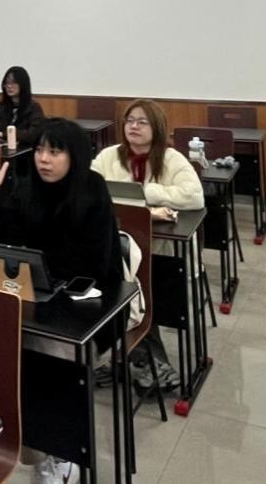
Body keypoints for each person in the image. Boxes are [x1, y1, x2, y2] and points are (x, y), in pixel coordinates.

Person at [0, 117, 121, 484]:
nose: (44, 159)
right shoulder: (28, 187)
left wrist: (39, 265)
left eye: (55, 152)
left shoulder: (92, 189)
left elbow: (94, 263)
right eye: (40, 150)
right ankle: (20, 439)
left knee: (50, 358)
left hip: (88, 305)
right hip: (37, 297)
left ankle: (63, 451)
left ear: (75, 156)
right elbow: (3, 244)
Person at [91, 98, 202, 391]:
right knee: (112, 292)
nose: (134, 127)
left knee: (139, 295)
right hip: (116, 247)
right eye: (129, 121)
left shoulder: (171, 158)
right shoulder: (109, 156)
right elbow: (90, 188)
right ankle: (135, 360)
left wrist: (146, 193)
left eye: (142, 122)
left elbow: (194, 197)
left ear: (157, 127)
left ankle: (149, 362)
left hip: (158, 251)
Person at [0, 66, 46, 147]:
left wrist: (5, 134)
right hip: (0, 150)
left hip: (24, 151)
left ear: (23, 84)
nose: (9, 86)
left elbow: (34, 134)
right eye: (7, 83)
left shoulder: (34, 108)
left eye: (13, 82)